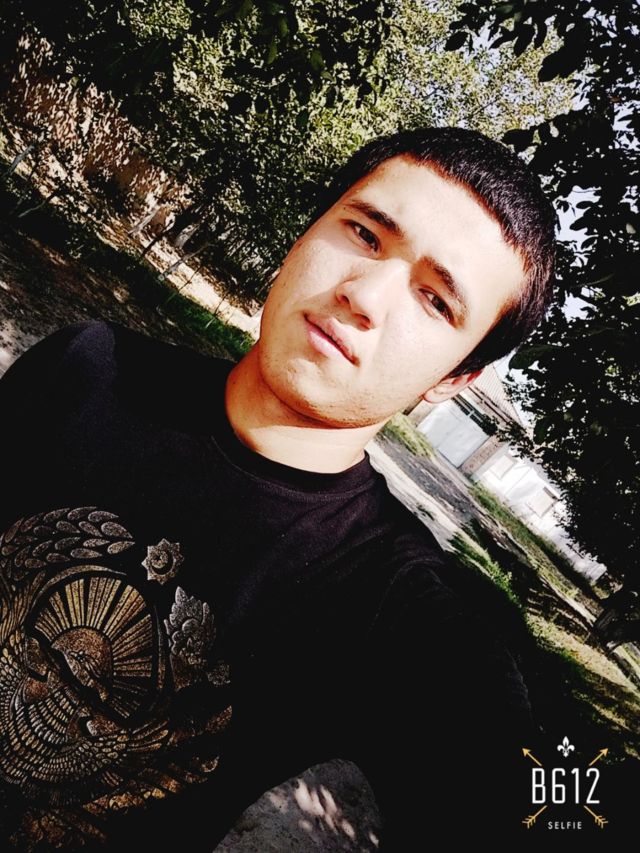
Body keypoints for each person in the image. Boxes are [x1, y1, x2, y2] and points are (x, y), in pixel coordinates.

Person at [0, 127, 558, 849]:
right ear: (307, 230)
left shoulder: (399, 608)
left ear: (453, 379)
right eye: (364, 233)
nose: (363, 295)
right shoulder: (89, 369)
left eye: (435, 300)